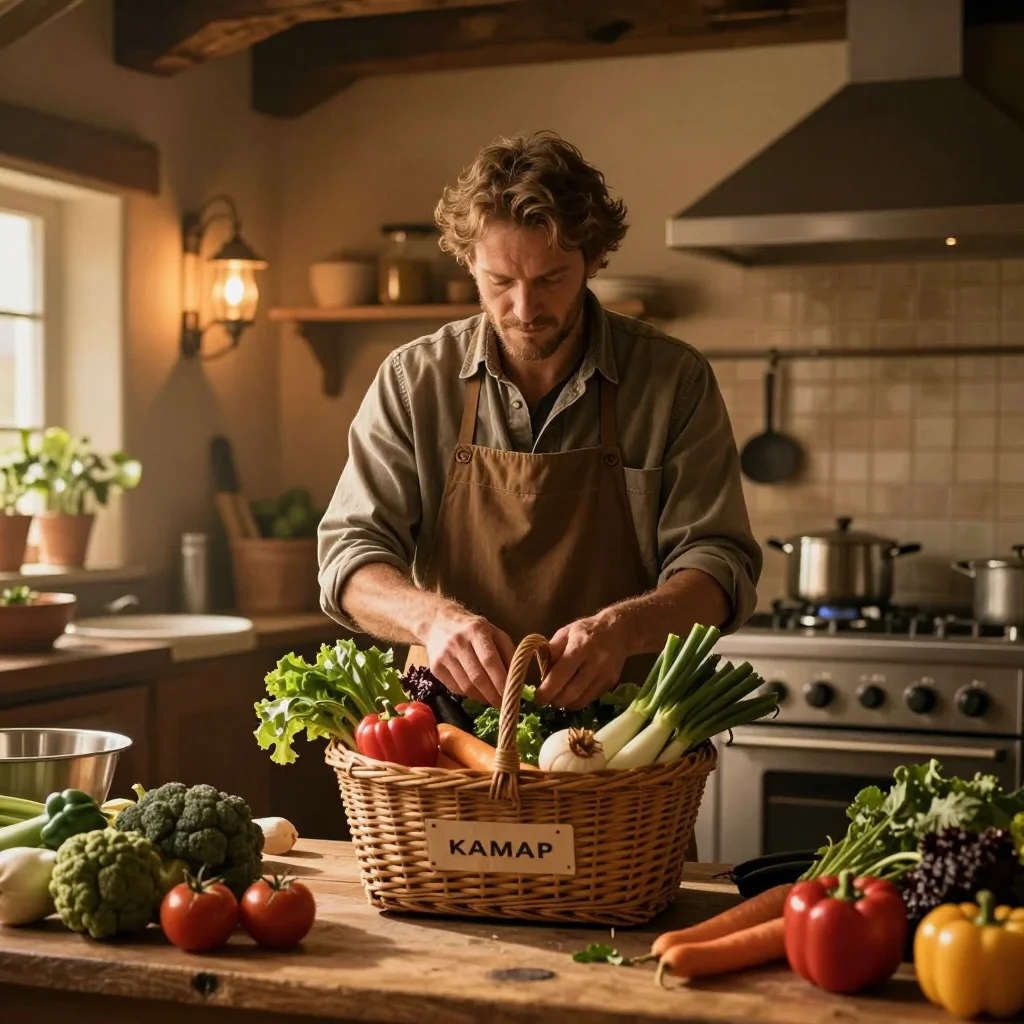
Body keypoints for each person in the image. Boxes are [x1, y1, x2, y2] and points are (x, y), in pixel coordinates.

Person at [318, 131, 761, 711]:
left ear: (594, 257)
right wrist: (432, 618)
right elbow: (350, 558)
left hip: (622, 737)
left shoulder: (673, 381)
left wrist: (623, 629)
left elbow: (718, 568)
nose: (524, 310)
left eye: (550, 279)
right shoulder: (412, 381)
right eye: (500, 282)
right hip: (445, 734)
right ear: (469, 262)